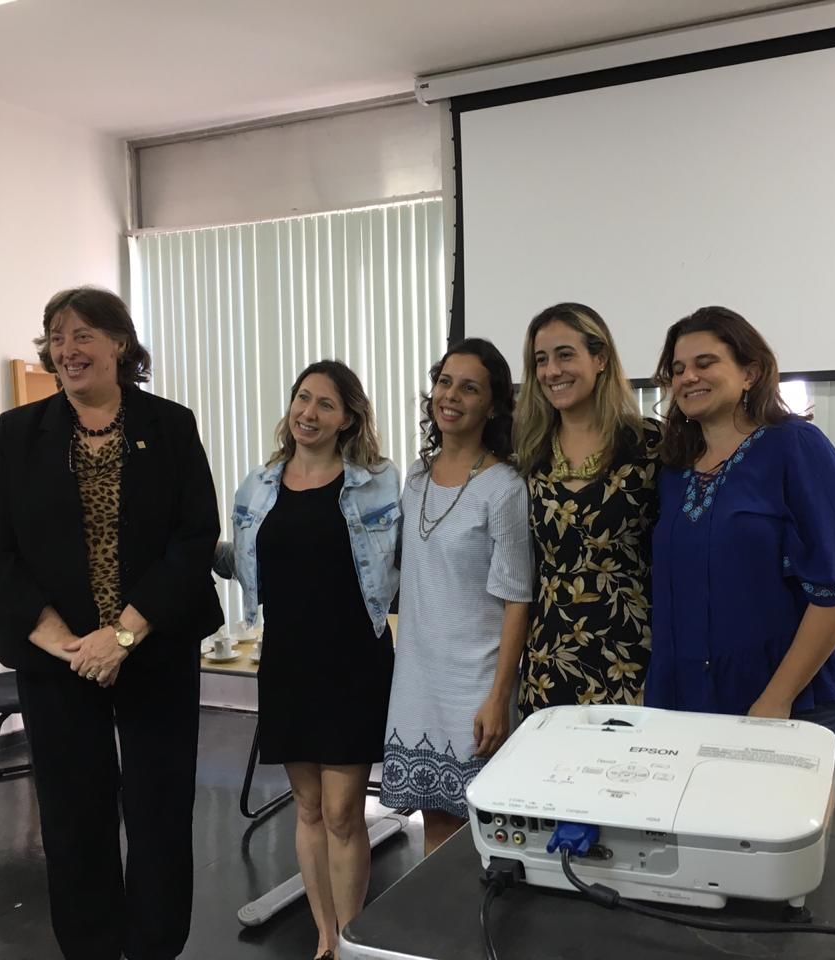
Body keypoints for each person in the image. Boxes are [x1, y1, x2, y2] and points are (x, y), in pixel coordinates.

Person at [0, 287, 223, 960]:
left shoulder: (170, 425)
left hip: (155, 647)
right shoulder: (19, 434)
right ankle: (90, 947)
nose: (67, 350)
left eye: (83, 335)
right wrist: (58, 638)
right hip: (62, 660)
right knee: (73, 814)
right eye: (56, 337)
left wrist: (126, 634)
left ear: (119, 344)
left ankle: (155, 945)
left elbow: (194, 538)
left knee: (159, 808)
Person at [223, 360, 398, 960]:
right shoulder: (259, 485)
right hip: (288, 660)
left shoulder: (378, 482)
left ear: (348, 418)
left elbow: (402, 561)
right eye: (303, 398)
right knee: (309, 808)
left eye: (326, 403)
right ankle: (325, 936)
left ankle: (352, 938)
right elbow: (246, 560)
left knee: (344, 812)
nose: (309, 412)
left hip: (353, 660)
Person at [646, 306, 835, 751]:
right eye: (678, 369)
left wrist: (776, 700)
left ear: (750, 373)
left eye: (705, 363)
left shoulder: (797, 448)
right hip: (686, 707)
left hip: (789, 708)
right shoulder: (673, 470)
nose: (688, 377)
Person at [380, 339, 533, 853]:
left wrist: (498, 697)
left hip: (475, 686)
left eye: (469, 388)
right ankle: (436, 913)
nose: (451, 396)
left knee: (482, 835)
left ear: (491, 406)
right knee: (436, 827)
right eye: (445, 382)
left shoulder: (504, 487)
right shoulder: (416, 477)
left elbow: (518, 599)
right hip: (417, 682)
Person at [513, 303, 660, 717]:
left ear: (600, 358)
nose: (551, 371)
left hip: (633, 659)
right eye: (541, 360)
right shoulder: (528, 452)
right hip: (548, 661)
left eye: (565, 355)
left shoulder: (651, 444)